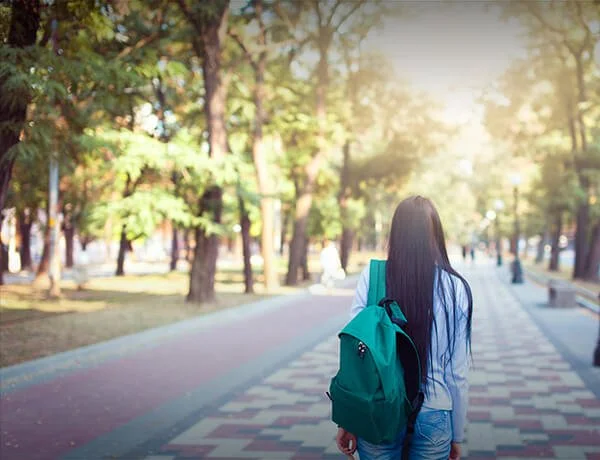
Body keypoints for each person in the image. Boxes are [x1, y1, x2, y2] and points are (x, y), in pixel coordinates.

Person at [336, 196, 473, 460]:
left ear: (396, 233)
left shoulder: (373, 276)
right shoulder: (455, 287)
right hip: (435, 411)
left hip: (379, 410)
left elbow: (355, 355)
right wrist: (455, 434)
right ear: (435, 235)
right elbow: (458, 373)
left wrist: (348, 420)